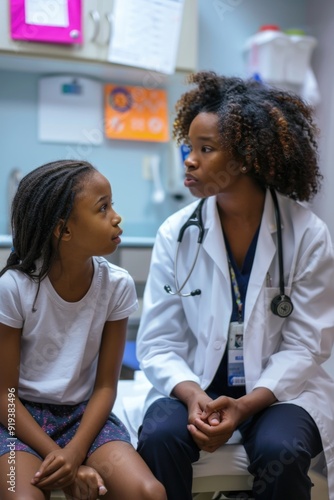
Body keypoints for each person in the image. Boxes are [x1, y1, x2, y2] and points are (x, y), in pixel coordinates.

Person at [135, 71, 334, 500]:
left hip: (278, 393)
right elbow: (158, 342)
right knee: (159, 437)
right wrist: (192, 396)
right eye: (189, 147)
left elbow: (307, 344)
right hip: (196, 385)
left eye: (206, 149)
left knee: (280, 448)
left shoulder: (307, 234)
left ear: (245, 159)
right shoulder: (177, 233)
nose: (189, 159)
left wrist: (245, 405)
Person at [0, 160, 166, 500]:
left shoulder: (115, 286)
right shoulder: (15, 288)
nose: (117, 216)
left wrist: (75, 453)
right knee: (21, 497)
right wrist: (61, 461)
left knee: (149, 493)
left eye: (112, 204)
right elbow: (5, 395)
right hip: (19, 422)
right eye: (102, 208)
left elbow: (106, 386)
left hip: (84, 418)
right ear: (64, 230)